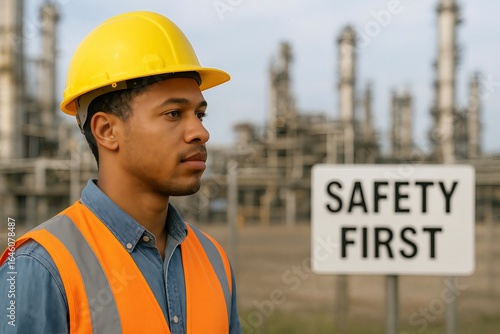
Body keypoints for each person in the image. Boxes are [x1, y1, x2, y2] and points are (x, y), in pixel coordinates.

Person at [0, 11, 241, 333]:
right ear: (106, 131)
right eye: (173, 113)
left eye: (200, 114)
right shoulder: (40, 267)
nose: (200, 132)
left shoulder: (214, 260)